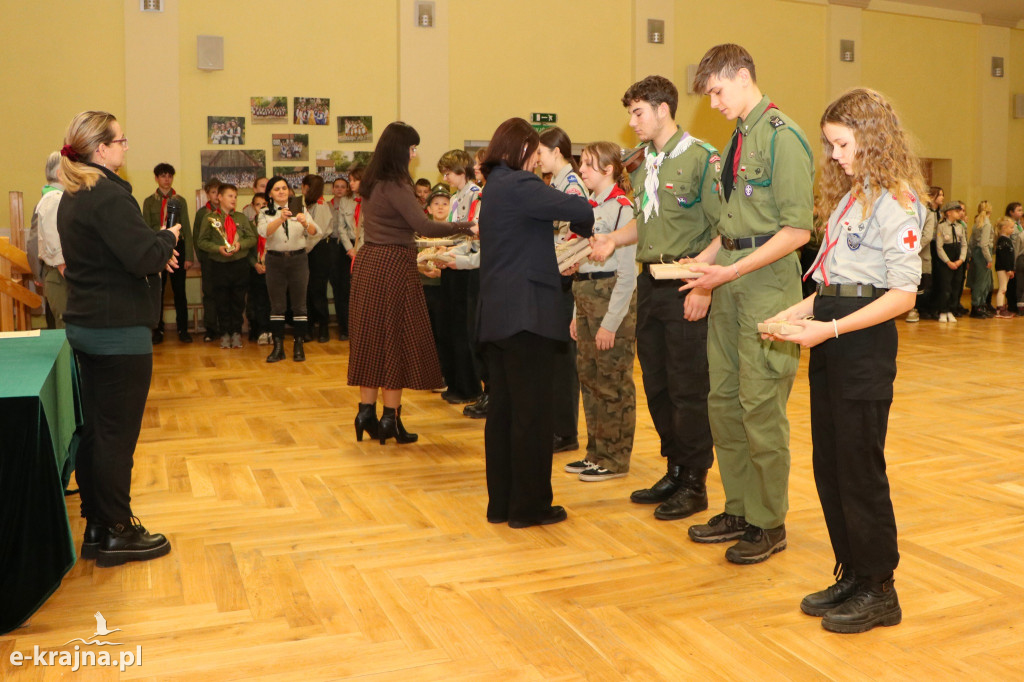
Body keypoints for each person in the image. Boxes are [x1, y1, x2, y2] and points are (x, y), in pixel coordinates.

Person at [764, 87, 925, 634]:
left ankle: (881, 588)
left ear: (871, 139)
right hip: (832, 334)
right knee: (830, 466)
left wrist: (829, 327)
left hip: (861, 344)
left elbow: (901, 295)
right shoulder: (852, 198)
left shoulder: (898, 199)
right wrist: (795, 313)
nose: (833, 154)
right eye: (831, 144)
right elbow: (835, 283)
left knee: (860, 470)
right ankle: (852, 572)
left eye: (841, 143)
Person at [684, 44, 814, 564]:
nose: (713, 102)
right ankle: (738, 507)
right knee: (724, 400)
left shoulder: (784, 136)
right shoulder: (738, 137)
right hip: (731, 280)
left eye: (717, 90)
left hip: (765, 284)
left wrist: (730, 271)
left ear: (741, 77)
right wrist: (700, 268)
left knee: (760, 407)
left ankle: (768, 521)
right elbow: (731, 225)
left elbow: (797, 229)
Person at [590, 75, 719, 519]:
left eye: (638, 112)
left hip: (686, 282)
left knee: (689, 388)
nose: (632, 121)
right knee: (658, 385)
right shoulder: (645, 163)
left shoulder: (702, 159)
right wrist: (615, 241)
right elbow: (646, 222)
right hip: (651, 283)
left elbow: (726, 230)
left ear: (663, 109)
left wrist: (702, 283)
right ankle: (675, 467)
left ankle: (695, 481)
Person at [56, 110, 177, 567]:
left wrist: (151, 245)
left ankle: (98, 526)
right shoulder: (106, 195)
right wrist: (166, 238)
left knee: (96, 432)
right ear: (101, 150)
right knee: (115, 437)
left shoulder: (76, 193)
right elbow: (143, 254)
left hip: (90, 327)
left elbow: (120, 253)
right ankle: (118, 531)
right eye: (121, 141)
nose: (127, 147)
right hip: (116, 333)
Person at [477, 117, 594, 528]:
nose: (536, 159)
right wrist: (584, 223)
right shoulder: (520, 184)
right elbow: (578, 206)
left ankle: (503, 504)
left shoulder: (494, 187)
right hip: (527, 318)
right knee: (532, 417)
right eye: (533, 151)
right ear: (522, 150)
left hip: (498, 318)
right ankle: (529, 508)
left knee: (504, 414)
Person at [347, 122, 475, 444]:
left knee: (371, 340)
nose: (415, 153)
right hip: (392, 265)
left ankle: (366, 412)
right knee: (396, 341)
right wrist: (468, 226)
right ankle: (390, 419)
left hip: (369, 262)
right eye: (413, 148)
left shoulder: (372, 182)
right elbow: (422, 225)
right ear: (401, 150)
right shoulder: (396, 184)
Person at [569, 141, 637, 481]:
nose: (581, 170)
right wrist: (574, 314)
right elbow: (580, 261)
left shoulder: (622, 208)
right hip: (585, 294)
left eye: (588, 165)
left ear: (608, 169)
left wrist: (611, 323)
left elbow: (627, 272)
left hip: (611, 297)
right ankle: (595, 451)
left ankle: (614, 458)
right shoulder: (591, 206)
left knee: (612, 382)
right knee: (590, 379)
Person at [537, 127, 588, 455]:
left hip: (566, 278)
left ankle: (566, 431)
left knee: (563, 359)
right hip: (554, 275)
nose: (537, 159)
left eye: (540, 153)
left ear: (556, 152)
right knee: (554, 358)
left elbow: (580, 235)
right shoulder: (556, 184)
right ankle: (557, 425)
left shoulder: (571, 187)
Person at [436, 149, 483, 405]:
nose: (445, 178)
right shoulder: (455, 198)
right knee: (450, 328)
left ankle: (470, 386)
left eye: (448, 173)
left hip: (469, 269)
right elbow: (455, 233)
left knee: (465, 331)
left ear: (461, 172)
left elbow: (473, 238)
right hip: (453, 264)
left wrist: (452, 253)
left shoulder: (477, 195)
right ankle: (455, 382)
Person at [257, 175, 322, 362]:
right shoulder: (264, 212)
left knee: (300, 304)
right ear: (270, 193)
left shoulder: (300, 208)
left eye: (284, 188)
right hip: (275, 261)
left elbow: (316, 232)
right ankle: (278, 347)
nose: (281, 192)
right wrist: (280, 218)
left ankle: (299, 346)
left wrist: (305, 222)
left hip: (298, 260)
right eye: (276, 189)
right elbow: (263, 232)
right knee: (277, 305)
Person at [196, 183, 257, 348]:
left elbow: (252, 238)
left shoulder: (241, 218)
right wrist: (218, 248)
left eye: (235, 197)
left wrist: (240, 245)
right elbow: (201, 242)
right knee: (221, 301)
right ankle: (224, 333)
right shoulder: (210, 218)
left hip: (239, 265)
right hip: (219, 266)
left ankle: (236, 332)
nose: (234, 199)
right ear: (220, 197)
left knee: (238, 301)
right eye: (230, 196)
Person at [142, 163, 193, 343]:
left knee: (180, 291)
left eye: (170, 176)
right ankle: (158, 330)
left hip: (177, 248)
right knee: (158, 291)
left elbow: (186, 226)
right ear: (156, 178)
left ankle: (183, 329)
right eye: (163, 176)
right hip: (157, 246)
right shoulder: (149, 201)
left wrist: (188, 256)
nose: (167, 179)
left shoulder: (180, 200)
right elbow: (146, 227)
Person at [35, 152, 67, 328]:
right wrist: (65, 270)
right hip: (60, 274)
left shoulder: (55, 197)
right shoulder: (54, 200)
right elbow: (55, 242)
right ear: (60, 174)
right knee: (66, 329)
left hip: (60, 272)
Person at [302, 174, 335, 343]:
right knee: (306, 290)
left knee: (317, 290)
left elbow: (317, 233)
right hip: (307, 250)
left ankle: (323, 327)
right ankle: (308, 327)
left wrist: (304, 249)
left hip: (319, 249)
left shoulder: (321, 205)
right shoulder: (306, 204)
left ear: (308, 187)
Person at [195, 178, 221, 341]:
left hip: (226, 260)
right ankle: (210, 328)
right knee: (210, 294)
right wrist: (203, 258)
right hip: (209, 261)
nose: (217, 196)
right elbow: (197, 237)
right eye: (213, 192)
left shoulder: (229, 212)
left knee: (224, 293)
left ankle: (226, 326)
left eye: (219, 192)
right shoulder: (202, 213)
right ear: (208, 194)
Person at [933, 201, 966, 323]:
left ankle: (951, 310)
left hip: (957, 259)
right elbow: (939, 247)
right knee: (945, 287)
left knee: (955, 286)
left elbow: (964, 245)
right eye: (957, 211)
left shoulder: (960, 226)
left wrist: (961, 259)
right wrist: (948, 261)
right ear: (949, 213)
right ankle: (943, 311)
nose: (959, 214)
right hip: (946, 260)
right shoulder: (941, 226)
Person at [246, 192, 272, 343]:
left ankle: (271, 330)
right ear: (253, 207)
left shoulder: (275, 224)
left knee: (272, 301)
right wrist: (254, 264)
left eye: (265, 204)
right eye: (258, 204)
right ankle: (259, 329)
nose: (262, 207)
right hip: (255, 268)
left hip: (272, 267)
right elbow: (247, 251)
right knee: (258, 300)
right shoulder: (249, 225)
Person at [968, 200, 994, 318]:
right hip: (984, 254)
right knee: (982, 282)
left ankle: (980, 305)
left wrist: (971, 256)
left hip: (976, 253)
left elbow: (971, 242)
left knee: (980, 281)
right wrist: (989, 259)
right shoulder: (987, 224)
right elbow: (984, 244)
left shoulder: (977, 223)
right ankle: (977, 306)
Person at [994, 216, 1016, 318]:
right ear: (1004, 228)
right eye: (1011, 227)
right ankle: (1000, 309)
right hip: (1002, 268)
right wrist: (1008, 269)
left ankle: (1002, 308)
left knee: (1004, 288)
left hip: (1006, 268)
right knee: (1003, 288)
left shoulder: (1007, 239)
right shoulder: (1003, 240)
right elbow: (1004, 257)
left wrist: (1011, 269)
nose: (1013, 229)